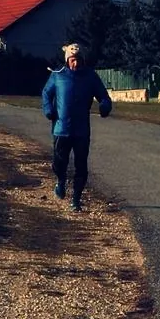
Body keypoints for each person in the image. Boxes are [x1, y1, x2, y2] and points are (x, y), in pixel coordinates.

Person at [40, 42, 112, 212]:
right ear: (67, 60)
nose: (76, 63)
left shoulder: (90, 76)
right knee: (59, 163)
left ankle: (76, 200)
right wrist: (48, 109)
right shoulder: (58, 76)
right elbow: (46, 93)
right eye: (72, 60)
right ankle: (61, 181)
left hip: (81, 130)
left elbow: (104, 95)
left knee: (81, 166)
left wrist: (105, 105)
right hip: (61, 128)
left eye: (78, 59)